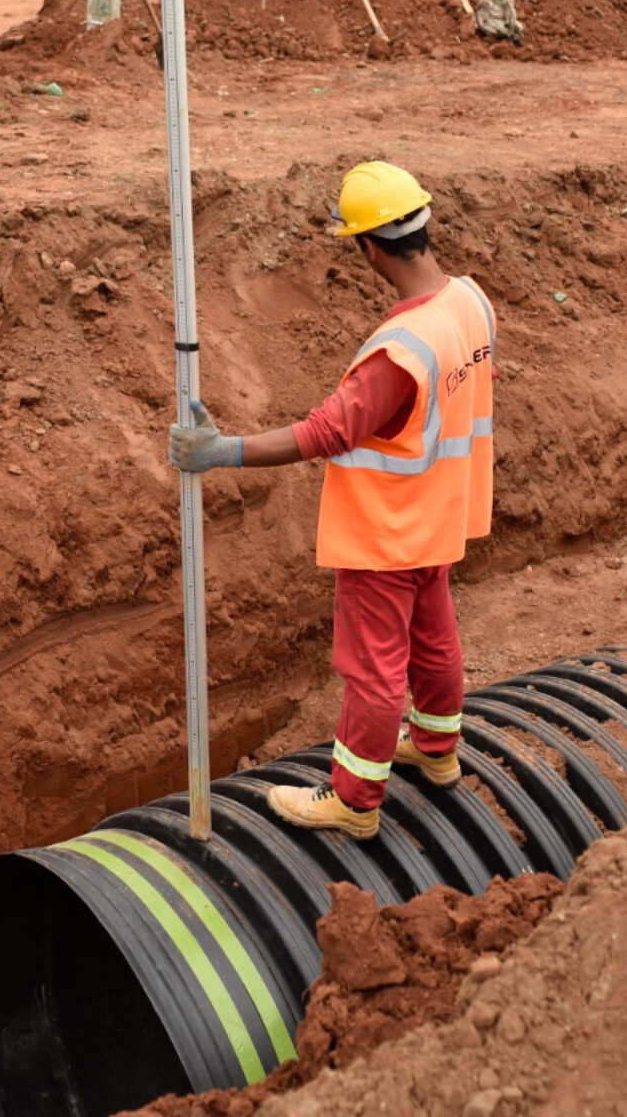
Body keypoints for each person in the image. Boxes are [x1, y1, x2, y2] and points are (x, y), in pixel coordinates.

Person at [167, 161, 496, 840]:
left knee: (374, 668)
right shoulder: (470, 302)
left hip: (386, 531)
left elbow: (327, 431)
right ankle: (436, 753)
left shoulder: (401, 349)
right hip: (438, 515)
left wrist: (219, 450)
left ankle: (354, 801)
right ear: (423, 226)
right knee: (434, 639)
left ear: (369, 247)